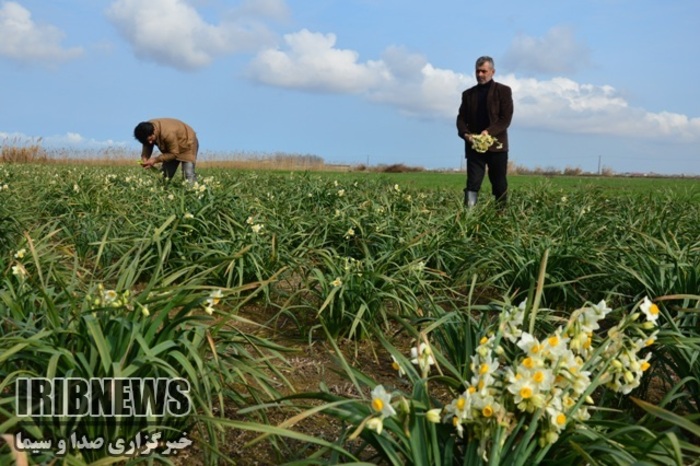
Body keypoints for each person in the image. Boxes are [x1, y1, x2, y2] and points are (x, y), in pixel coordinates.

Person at [456, 56, 513, 208]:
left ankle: (501, 215)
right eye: (477, 71)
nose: (480, 74)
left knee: (499, 183)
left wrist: (488, 132)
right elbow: (461, 119)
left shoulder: (503, 91)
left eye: (483, 71)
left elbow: (505, 119)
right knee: (472, 183)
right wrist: (466, 135)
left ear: (492, 72)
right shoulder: (467, 95)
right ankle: (469, 216)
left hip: (497, 146)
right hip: (474, 146)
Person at [134, 118, 199, 182]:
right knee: (165, 175)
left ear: (153, 132)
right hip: (171, 147)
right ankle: (161, 191)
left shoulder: (167, 133)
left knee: (188, 174)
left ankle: (192, 190)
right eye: (147, 140)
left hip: (188, 143)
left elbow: (174, 154)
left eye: (151, 139)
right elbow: (147, 145)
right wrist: (144, 158)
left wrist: (155, 160)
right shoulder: (145, 130)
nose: (150, 142)